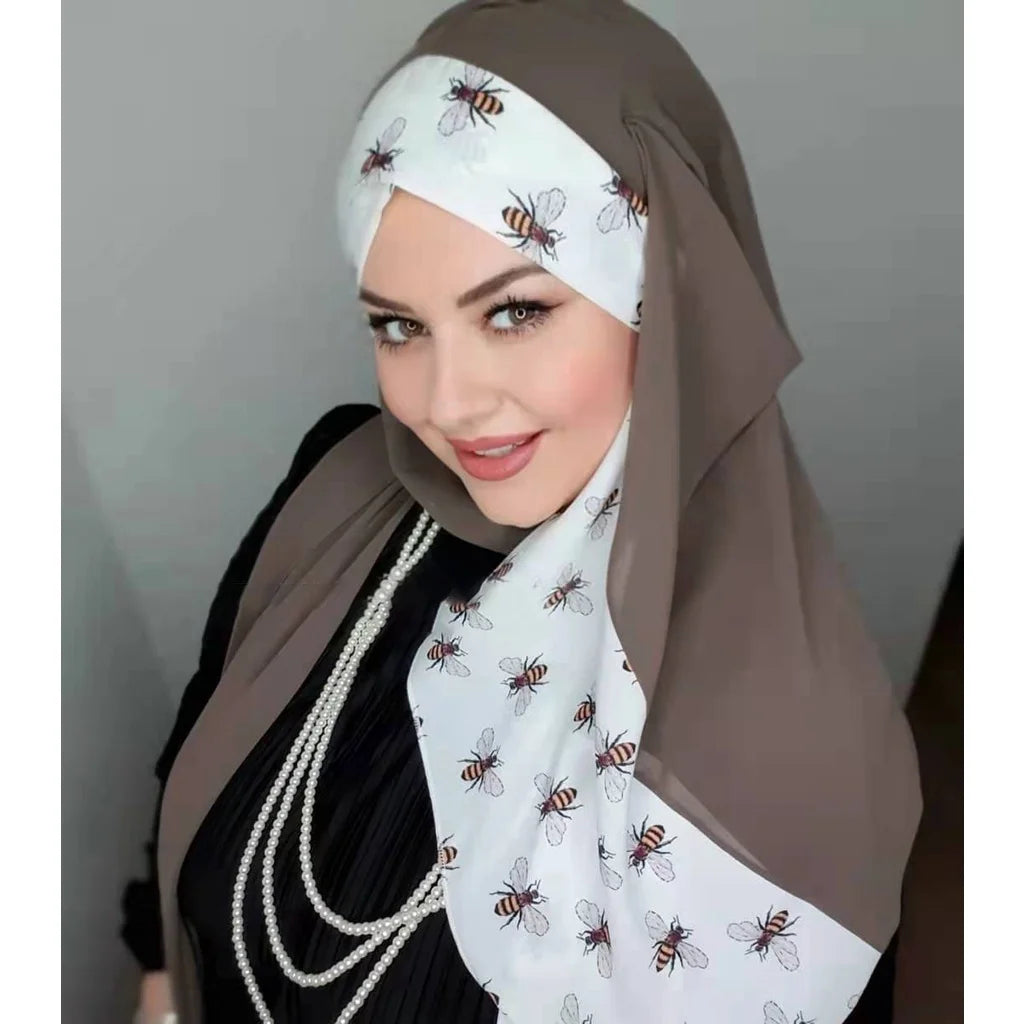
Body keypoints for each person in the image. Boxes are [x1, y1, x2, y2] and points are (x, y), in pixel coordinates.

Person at [122, 2, 922, 1022]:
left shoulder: (800, 765)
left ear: (669, 294)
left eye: (514, 310)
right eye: (398, 327)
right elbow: (191, 778)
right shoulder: (336, 489)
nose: (446, 404)